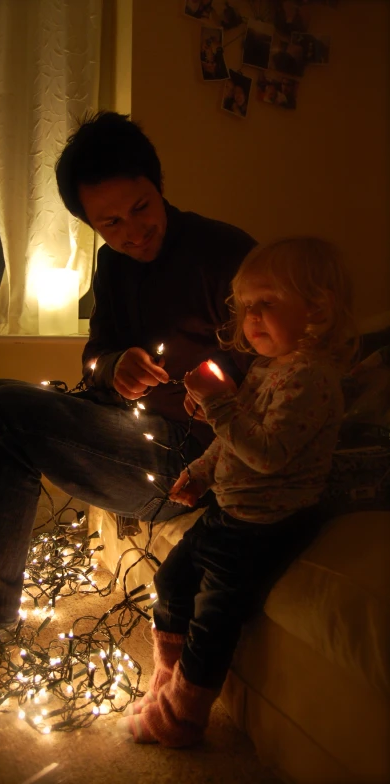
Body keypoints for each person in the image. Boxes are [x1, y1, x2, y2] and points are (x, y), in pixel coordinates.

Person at [0, 111, 256, 667]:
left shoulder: (225, 254)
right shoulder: (112, 265)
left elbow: (272, 361)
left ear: (160, 185)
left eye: (141, 208)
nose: (132, 232)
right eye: (111, 224)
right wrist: (114, 364)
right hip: (123, 422)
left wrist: (213, 386)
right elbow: (94, 354)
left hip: (188, 457)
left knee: (6, 411)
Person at [119, 236, 358, 747]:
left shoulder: (313, 378)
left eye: (267, 303)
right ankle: (168, 680)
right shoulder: (268, 368)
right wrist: (203, 471)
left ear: (315, 310)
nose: (251, 317)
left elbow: (269, 454)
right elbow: (233, 441)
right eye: (246, 305)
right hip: (233, 511)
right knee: (173, 579)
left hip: (269, 523)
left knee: (214, 615)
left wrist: (219, 405)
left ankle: (182, 716)